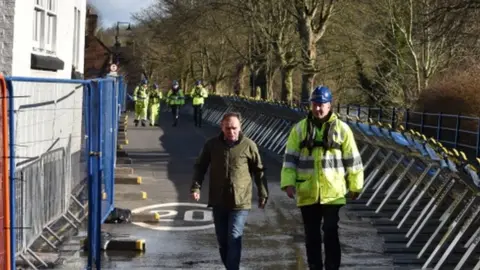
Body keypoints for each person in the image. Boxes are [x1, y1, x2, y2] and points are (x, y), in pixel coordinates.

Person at [280, 85, 364, 270]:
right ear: (311, 105)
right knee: (311, 235)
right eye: (315, 104)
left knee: (330, 231)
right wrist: (288, 183)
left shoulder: (342, 130)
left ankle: (332, 267)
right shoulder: (299, 129)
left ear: (330, 105)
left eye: (322, 104)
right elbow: (290, 159)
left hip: (333, 192)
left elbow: (353, 160)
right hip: (307, 191)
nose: (318, 108)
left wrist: (355, 186)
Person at [190, 112, 269, 270]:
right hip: (219, 200)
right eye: (228, 128)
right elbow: (200, 166)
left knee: (234, 236)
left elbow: (259, 171)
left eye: (234, 128)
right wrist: (196, 187)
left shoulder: (249, 145)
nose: (231, 132)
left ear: (240, 127)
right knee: (222, 240)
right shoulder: (212, 145)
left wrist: (263, 193)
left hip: (240, 201)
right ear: (222, 127)